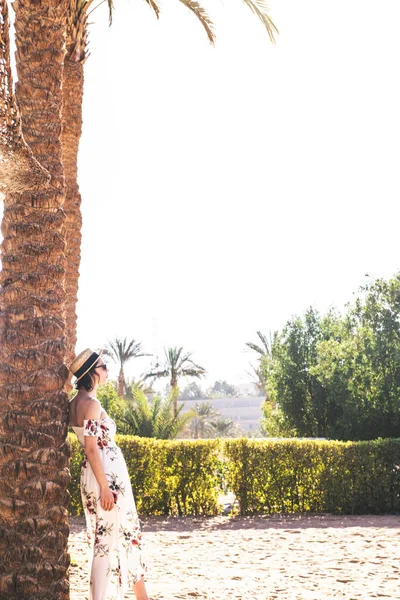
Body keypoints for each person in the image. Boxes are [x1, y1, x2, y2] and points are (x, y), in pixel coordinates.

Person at [68, 348, 149, 600]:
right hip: (106, 478)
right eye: (103, 367)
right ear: (92, 373)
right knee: (118, 536)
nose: (107, 370)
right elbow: (92, 448)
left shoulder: (72, 404)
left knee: (108, 537)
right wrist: (105, 487)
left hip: (94, 475)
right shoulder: (92, 404)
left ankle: (139, 596)